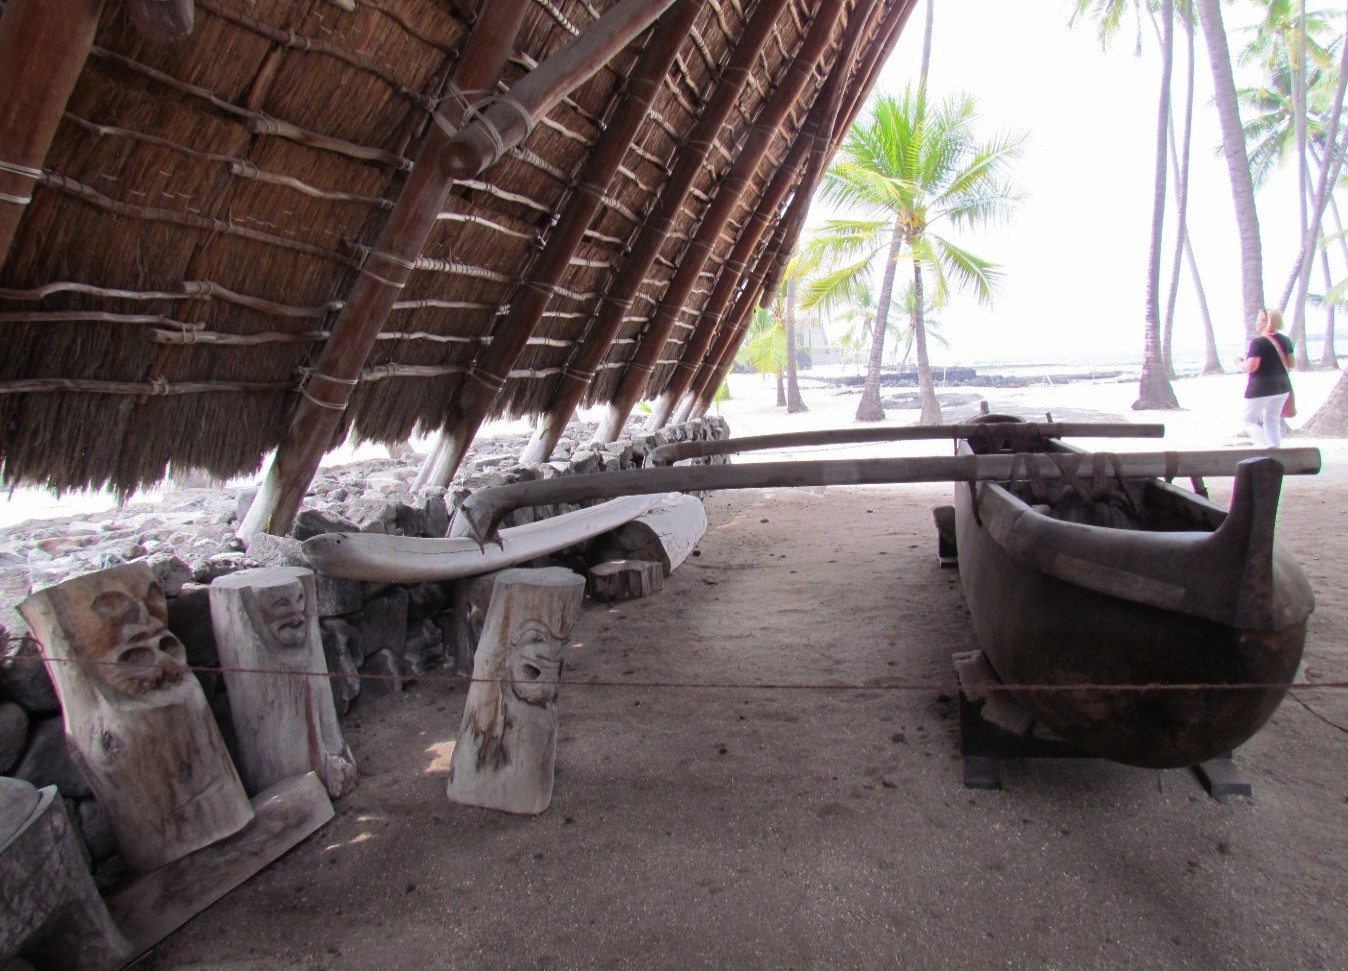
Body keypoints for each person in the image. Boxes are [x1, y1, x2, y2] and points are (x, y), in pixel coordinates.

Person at [1237, 307, 1294, 447]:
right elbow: (1292, 364)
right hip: (1282, 387)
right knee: (1272, 420)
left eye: (1258, 319)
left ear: (1264, 321)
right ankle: (1275, 452)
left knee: (1248, 421)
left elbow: (1251, 367)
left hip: (1261, 388)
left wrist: (1240, 362)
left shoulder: (1258, 342)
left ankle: (1269, 447)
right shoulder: (1285, 340)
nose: (1256, 322)